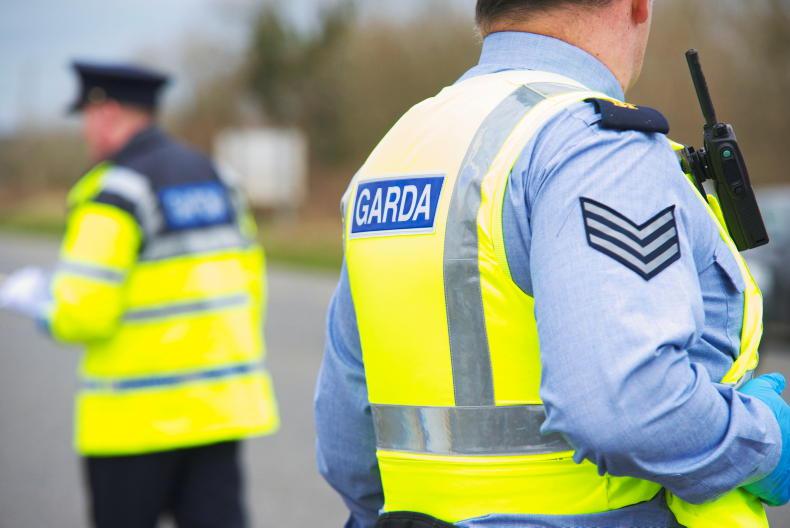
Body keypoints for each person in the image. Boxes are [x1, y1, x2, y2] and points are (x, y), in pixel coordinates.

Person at [314, 1, 790, 527]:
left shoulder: (397, 150)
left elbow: (346, 449)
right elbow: (624, 408)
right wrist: (762, 440)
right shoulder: (594, 148)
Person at [0, 61, 279, 528]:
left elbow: (83, 313)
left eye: (87, 117)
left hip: (132, 421)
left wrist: (37, 304)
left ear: (106, 113)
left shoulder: (115, 191)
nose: (85, 131)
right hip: (217, 412)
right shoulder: (217, 177)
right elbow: (250, 281)